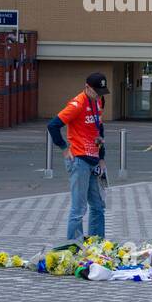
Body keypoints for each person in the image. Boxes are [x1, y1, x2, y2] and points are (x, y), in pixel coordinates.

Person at [47, 72, 108, 241]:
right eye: (96, 91)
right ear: (87, 87)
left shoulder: (98, 102)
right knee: (79, 209)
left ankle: (97, 244)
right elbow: (53, 126)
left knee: (98, 206)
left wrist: (102, 157)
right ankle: (75, 246)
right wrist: (65, 149)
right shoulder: (77, 104)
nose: (99, 95)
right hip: (79, 159)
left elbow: (99, 130)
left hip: (94, 159)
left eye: (101, 91)